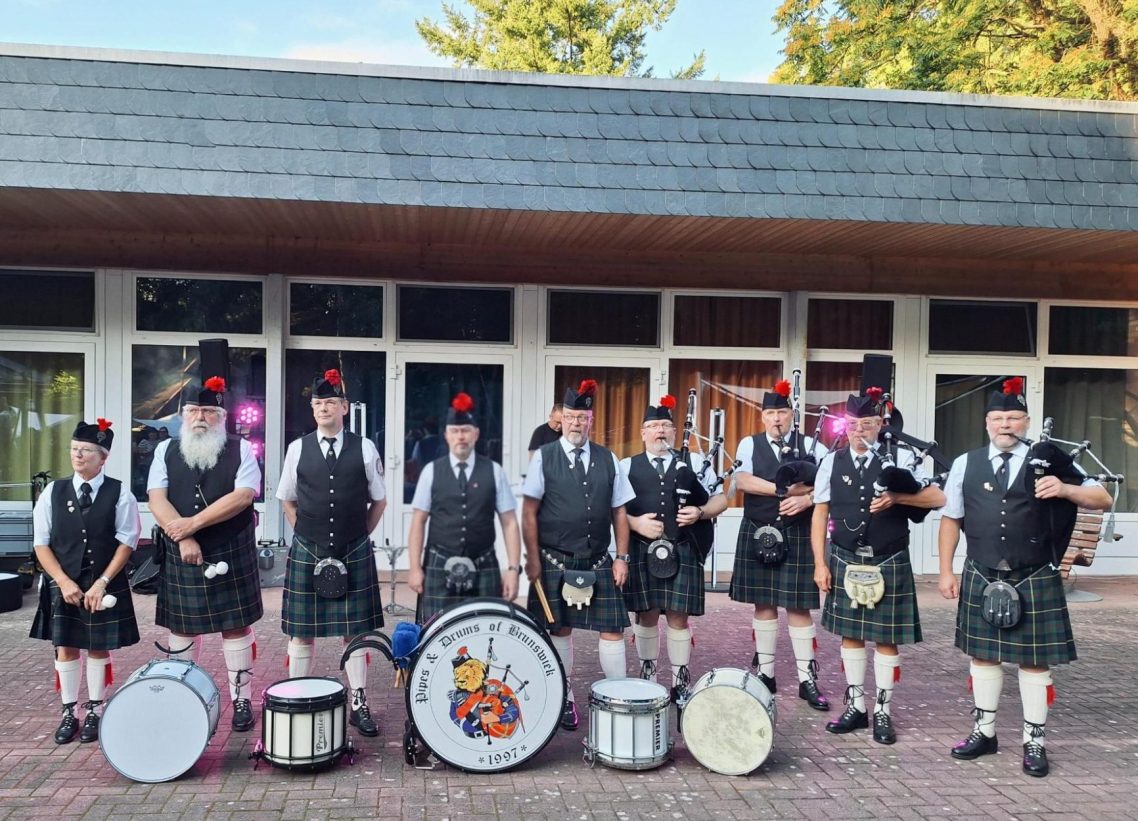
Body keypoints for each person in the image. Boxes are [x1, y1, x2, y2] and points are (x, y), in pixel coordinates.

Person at [938, 377, 1112, 777]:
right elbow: (951, 519)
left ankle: (1034, 741)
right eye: (997, 418)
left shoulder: (1049, 458)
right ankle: (984, 732)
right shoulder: (965, 463)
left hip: (1034, 573)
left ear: (1027, 421)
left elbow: (1101, 498)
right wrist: (946, 570)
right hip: (981, 571)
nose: (1005, 425)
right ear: (987, 423)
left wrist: (1065, 489)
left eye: (1013, 417)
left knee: (1034, 662)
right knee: (983, 655)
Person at [811, 389, 945, 744]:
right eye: (852, 424)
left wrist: (897, 496)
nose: (859, 431)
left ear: (880, 425)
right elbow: (820, 512)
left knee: (886, 639)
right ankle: (856, 707)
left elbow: (938, 497)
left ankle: (883, 711)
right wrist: (820, 564)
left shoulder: (900, 457)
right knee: (851, 636)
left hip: (888, 557)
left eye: (867, 424)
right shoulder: (831, 461)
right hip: (845, 556)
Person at [148, 375, 263, 732]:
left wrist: (193, 525)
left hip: (230, 544)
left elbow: (244, 495)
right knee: (183, 627)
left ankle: (241, 699)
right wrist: (182, 537)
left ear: (222, 417)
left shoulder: (241, 449)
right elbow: (156, 499)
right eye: (193, 411)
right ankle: (181, 694)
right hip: (181, 548)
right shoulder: (165, 450)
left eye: (208, 411)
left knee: (235, 626)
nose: (200, 417)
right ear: (183, 415)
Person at [277, 369, 387, 737]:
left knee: (354, 631)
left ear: (344, 407)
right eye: (317, 403)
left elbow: (379, 499)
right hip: (308, 547)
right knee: (301, 632)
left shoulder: (365, 447)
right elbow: (287, 499)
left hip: (353, 547)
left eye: (330, 402)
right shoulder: (297, 448)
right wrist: (303, 532)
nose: (323, 408)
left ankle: (359, 701)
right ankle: (295, 698)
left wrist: (360, 534)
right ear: (312, 410)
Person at [522, 379, 635, 731]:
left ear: (591, 420)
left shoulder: (608, 458)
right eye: (570, 417)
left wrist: (622, 557)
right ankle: (564, 696)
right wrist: (532, 558)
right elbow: (529, 511)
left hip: (599, 558)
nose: (576, 423)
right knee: (559, 628)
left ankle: (617, 698)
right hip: (554, 558)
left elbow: (619, 510)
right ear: (561, 420)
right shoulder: (544, 457)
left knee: (612, 628)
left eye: (582, 418)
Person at [30, 419, 141, 744]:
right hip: (63, 580)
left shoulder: (120, 492)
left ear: (103, 457)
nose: (78, 455)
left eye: (87, 450)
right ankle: (69, 712)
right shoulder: (53, 491)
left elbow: (128, 541)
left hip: (102, 582)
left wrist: (103, 581)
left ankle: (95, 709)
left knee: (97, 646)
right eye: (75, 449)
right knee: (65, 646)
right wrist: (63, 582)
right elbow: (41, 544)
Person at [729, 379, 829, 711]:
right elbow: (742, 480)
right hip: (759, 529)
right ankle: (766, 674)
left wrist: (807, 500)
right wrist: (785, 491)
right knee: (764, 604)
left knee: (798, 607)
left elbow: (827, 484)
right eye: (770, 413)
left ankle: (807, 679)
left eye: (782, 413)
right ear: (762, 417)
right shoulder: (749, 444)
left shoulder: (812, 445)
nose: (776, 419)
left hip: (798, 532)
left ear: (792, 415)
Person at [622, 395, 727, 701]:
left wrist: (701, 512)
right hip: (643, 549)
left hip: (682, 546)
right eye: (654, 426)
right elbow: (612, 509)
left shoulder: (694, 462)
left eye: (665, 426)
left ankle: (680, 679)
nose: (660, 431)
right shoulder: (626, 466)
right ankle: (648, 677)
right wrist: (635, 523)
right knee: (646, 614)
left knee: (679, 617)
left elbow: (721, 499)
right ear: (643, 432)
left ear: (674, 431)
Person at [408, 392, 522, 623]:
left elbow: (510, 523)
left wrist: (512, 570)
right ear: (446, 435)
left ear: (476, 434)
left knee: (486, 629)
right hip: (439, 563)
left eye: (466, 430)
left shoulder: (494, 471)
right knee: (436, 631)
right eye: (455, 431)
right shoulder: (431, 471)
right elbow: (418, 521)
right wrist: (414, 568)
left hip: (484, 563)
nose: (460, 436)